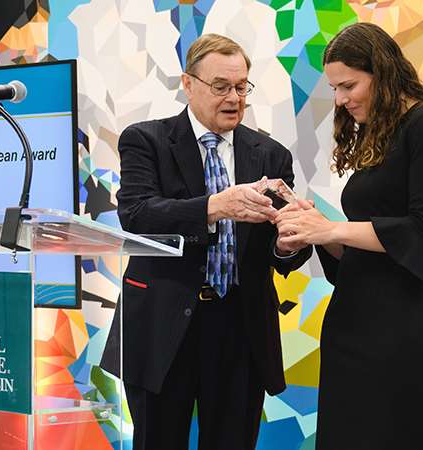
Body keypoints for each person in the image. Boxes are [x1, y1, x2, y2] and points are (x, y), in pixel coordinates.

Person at [101, 33, 312, 450]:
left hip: (241, 327)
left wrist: (289, 243)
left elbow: (283, 251)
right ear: (188, 83)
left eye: (241, 87)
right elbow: (138, 214)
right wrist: (215, 206)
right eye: (221, 87)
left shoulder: (271, 155)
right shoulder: (146, 140)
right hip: (162, 325)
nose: (234, 98)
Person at [274, 23, 423, 449]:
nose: (341, 99)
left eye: (349, 85)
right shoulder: (382, 130)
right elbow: (369, 242)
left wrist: (331, 227)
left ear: (382, 73)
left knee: (397, 433)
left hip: (409, 319)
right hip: (357, 317)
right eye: (335, 89)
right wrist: (316, 232)